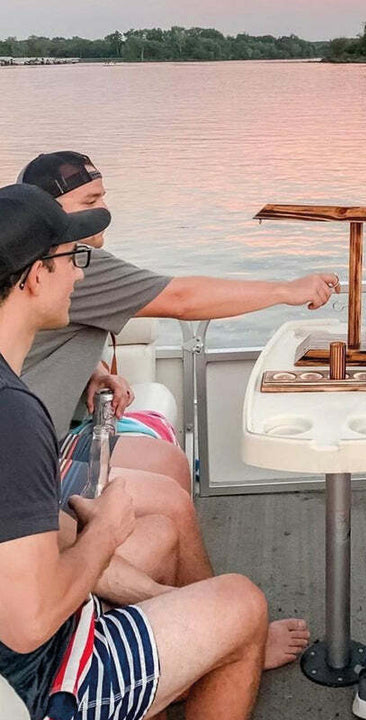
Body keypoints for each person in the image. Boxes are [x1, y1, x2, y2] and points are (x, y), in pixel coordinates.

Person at [0, 183, 266, 720]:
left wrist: (136, 577)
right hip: (38, 682)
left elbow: (40, 536)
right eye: (70, 259)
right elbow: (28, 623)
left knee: (163, 534)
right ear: (33, 277)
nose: (80, 272)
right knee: (244, 604)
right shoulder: (14, 416)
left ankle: (179, 660)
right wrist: (106, 529)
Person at [18, 150, 341, 491]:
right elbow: (182, 299)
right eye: (89, 201)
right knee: (167, 489)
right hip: (30, 456)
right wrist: (286, 291)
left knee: (168, 468)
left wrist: (94, 371)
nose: (103, 211)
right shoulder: (72, 265)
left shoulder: (26, 257)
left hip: (44, 435)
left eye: (103, 197)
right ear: (47, 212)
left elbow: (42, 339)